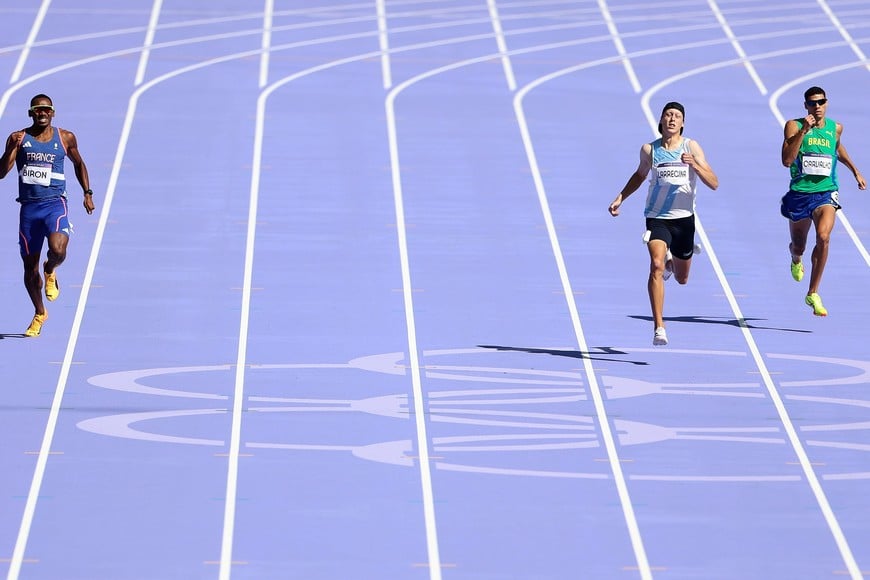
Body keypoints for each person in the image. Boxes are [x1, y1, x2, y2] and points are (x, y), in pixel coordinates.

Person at [608, 101, 718, 346]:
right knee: (655, 265)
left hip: (684, 220)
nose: (672, 119)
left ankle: (672, 263)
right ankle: (659, 326)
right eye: (668, 115)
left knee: (682, 278)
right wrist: (621, 197)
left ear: (682, 123)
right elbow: (639, 175)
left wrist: (695, 165)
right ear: (661, 120)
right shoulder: (650, 150)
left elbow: (714, 182)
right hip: (657, 217)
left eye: (677, 116)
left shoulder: (692, 147)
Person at [0, 94, 94, 337]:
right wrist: (11, 148)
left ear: (53, 113)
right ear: (31, 113)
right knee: (29, 270)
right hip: (29, 210)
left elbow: (78, 163)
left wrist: (87, 192)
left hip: (55, 205)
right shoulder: (18, 139)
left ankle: (50, 269)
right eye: (37, 110)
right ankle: (39, 313)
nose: (42, 113)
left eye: (46, 109)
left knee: (58, 250)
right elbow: (2, 173)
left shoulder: (65, 137)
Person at [781, 86, 865, 316]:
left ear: (826, 103)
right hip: (800, 193)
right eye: (812, 103)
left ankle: (813, 293)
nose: (816, 107)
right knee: (799, 244)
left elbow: (838, 148)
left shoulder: (835, 128)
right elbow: (787, 160)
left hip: (825, 192)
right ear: (805, 106)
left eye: (820, 102)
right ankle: (796, 257)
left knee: (824, 236)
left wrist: (855, 170)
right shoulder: (794, 125)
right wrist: (803, 132)